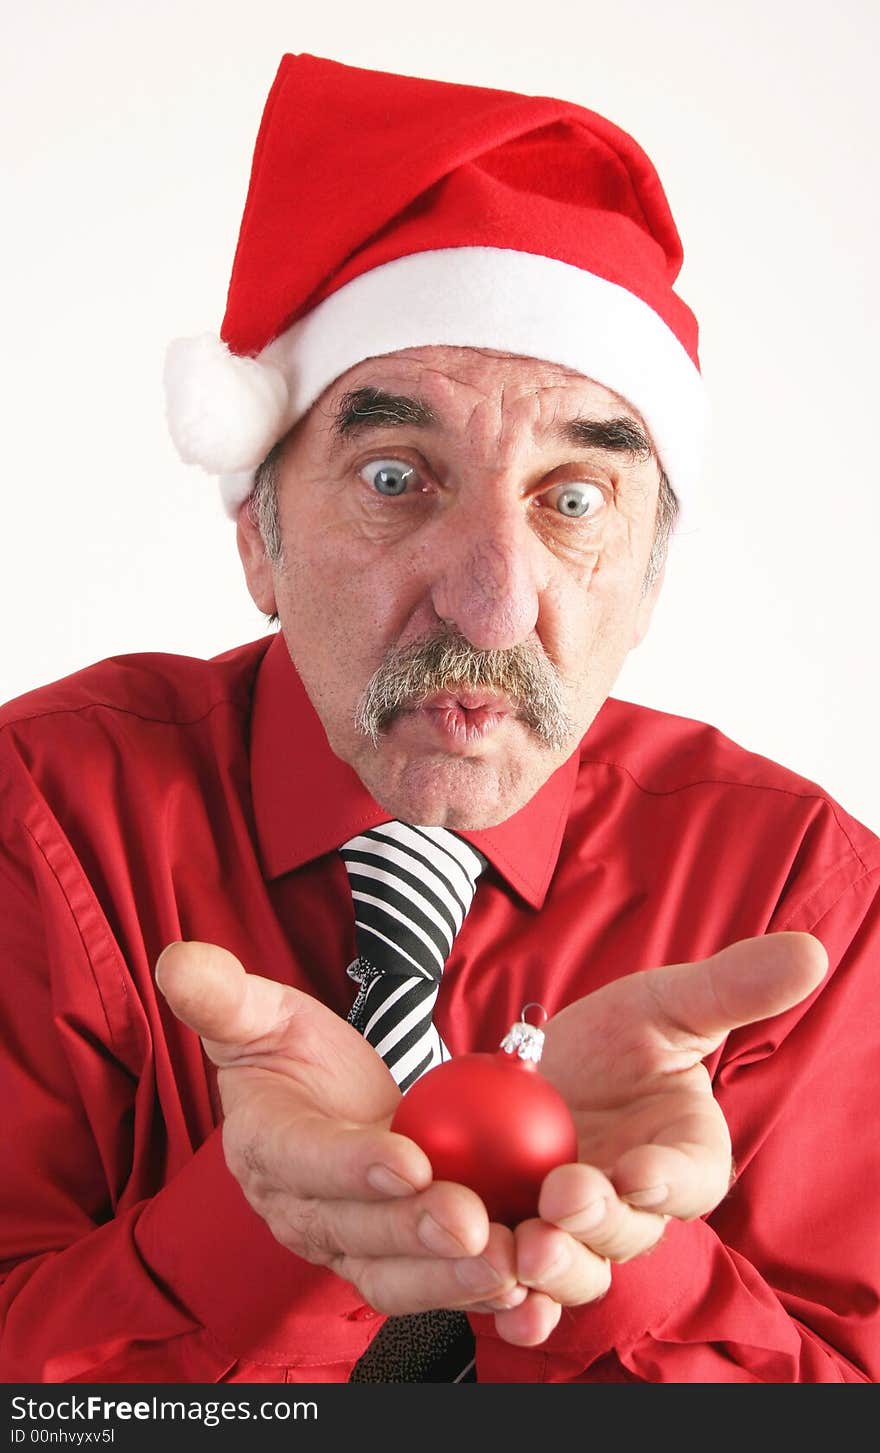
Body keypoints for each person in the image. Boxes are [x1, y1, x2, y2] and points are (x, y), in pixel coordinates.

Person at [0, 52, 876, 1386]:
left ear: (645, 582)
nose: (488, 603)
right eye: (399, 477)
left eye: (574, 500)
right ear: (259, 537)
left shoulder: (803, 902)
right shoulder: (42, 821)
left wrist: (618, 1258)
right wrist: (264, 1230)